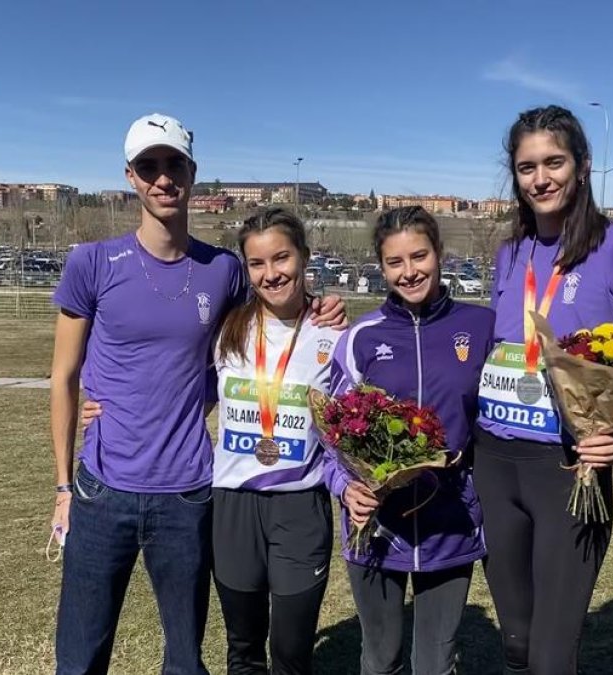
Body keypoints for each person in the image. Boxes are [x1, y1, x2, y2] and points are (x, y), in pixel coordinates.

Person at [49, 114, 345, 675]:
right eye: (148, 167)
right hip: (100, 489)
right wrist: (64, 486)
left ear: (192, 173)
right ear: (130, 177)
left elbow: (270, 314)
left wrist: (323, 305)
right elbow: (63, 378)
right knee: (80, 657)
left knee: (185, 659)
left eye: (173, 165)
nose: (163, 179)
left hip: (187, 495)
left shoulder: (224, 270)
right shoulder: (91, 262)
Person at [472, 105, 613, 675]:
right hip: (496, 464)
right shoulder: (510, 252)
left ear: (583, 166)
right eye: (527, 167)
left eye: (554, 162)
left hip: (570, 468)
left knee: (552, 659)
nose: (541, 178)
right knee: (517, 647)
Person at [324, 205, 495, 675]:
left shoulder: (481, 328)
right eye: (395, 262)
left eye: (418, 256)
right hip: (377, 525)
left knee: (435, 664)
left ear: (439, 253)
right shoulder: (361, 336)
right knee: (380, 660)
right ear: (381, 267)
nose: (409, 271)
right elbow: (332, 434)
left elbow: (499, 421)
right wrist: (346, 487)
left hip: (450, 522)